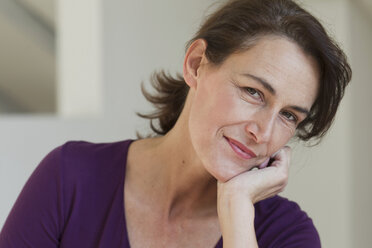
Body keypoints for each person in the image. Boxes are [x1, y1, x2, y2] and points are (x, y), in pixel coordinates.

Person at [0, 0, 351, 247]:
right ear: (196, 63)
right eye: (254, 92)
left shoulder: (286, 236)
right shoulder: (69, 179)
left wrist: (237, 213)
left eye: (289, 115)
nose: (264, 133)